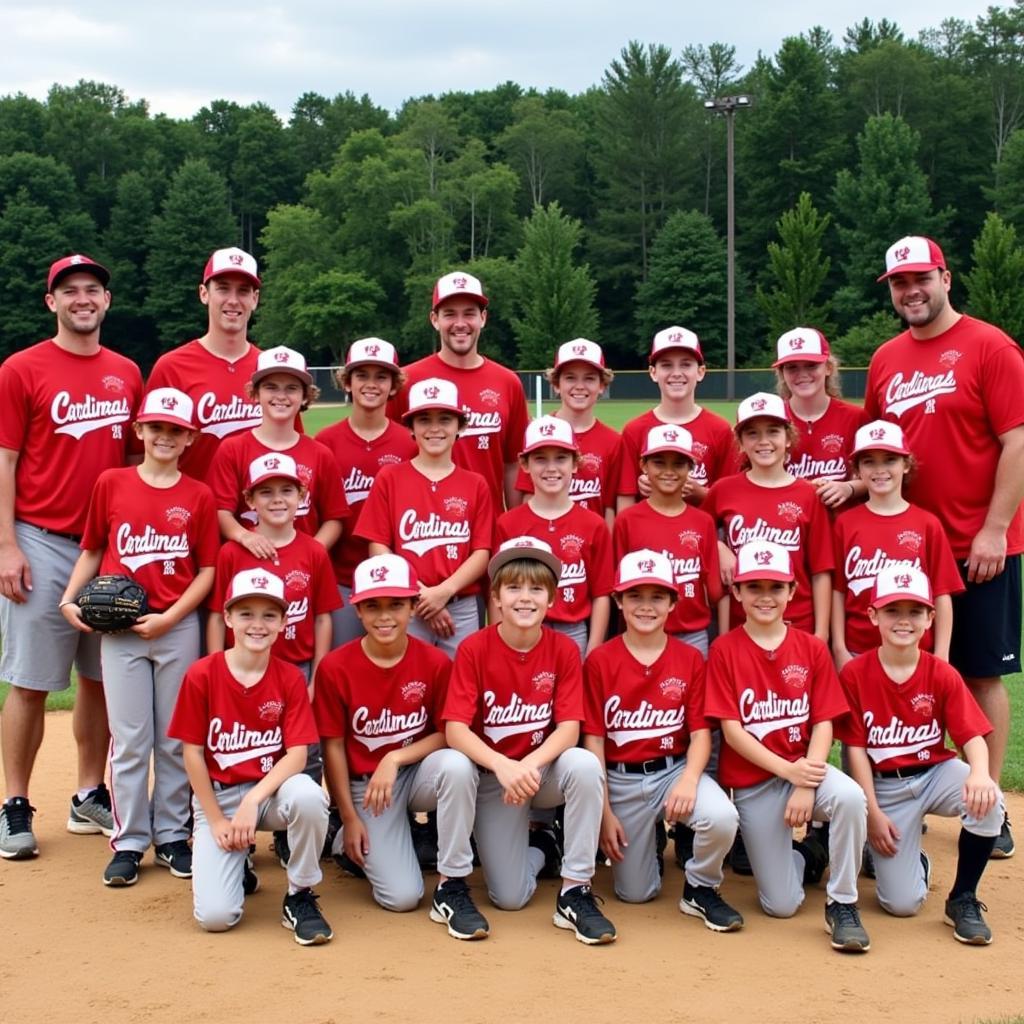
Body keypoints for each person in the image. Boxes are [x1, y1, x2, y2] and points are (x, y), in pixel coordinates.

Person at [867, 235, 1024, 858]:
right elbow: (882, 450)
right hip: (906, 545)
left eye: (920, 278)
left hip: (980, 544)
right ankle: (920, 793)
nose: (911, 291)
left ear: (946, 278)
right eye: (900, 283)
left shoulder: (991, 347)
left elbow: (1017, 441)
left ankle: (991, 802)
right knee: (912, 676)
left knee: (981, 674)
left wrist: (994, 527)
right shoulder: (885, 359)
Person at [0, 254, 143, 860]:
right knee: (32, 681)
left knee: (99, 679)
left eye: (93, 289)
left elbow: (139, 465)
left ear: (107, 301)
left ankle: (90, 792)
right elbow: (4, 460)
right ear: (51, 302)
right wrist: (5, 543)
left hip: (107, 548)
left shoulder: (127, 372)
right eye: (70, 290)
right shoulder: (20, 368)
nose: (82, 298)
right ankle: (14, 803)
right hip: (41, 538)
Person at [59, 388, 219, 886]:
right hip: (121, 632)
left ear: (189, 437)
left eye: (175, 429)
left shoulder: (199, 494)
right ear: (139, 431)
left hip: (177, 627)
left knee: (174, 740)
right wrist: (69, 598)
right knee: (130, 741)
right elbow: (92, 549)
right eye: (156, 427)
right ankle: (129, 840)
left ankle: (171, 835)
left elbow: (208, 570)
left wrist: (172, 618)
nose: (165, 436)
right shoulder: (112, 483)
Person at [442, 537, 616, 945]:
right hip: (494, 780)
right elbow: (455, 730)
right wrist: (504, 766)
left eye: (536, 589)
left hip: (540, 774)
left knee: (585, 765)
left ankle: (575, 889)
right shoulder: (473, 648)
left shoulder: (563, 649)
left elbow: (570, 728)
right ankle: (542, 846)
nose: (525, 598)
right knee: (511, 897)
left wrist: (529, 765)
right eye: (514, 588)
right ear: (496, 598)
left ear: (551, 599)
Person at [704, 540, 870, 953]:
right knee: (781, 905)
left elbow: (823, 722)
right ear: (737, 592)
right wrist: (788, 772)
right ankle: (810, 856)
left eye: (775, 587)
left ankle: (843, 902)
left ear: (793, 592)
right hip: (755, 783)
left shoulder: (811, 647)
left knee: (849, 796)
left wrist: (805, 780)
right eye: (754, 586)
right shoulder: (724, 649)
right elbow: (732, 731)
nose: (765, 596)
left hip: (806, 771)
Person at [313, 553, 484, 934]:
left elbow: (449, 731)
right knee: (402, 898)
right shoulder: (335, 667)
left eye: (396, 604)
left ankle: (452, 882)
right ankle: (347, 841)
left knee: (458, 766)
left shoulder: (436, 662)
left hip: (417, 773)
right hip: (368, 789)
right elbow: (334, 747)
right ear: (357, 610)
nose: (384, 616)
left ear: (412, 607)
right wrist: (351, 817)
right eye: (372, 606)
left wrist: (395, 756)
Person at [837, 565, 1004, 945]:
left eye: (914, 612)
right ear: (873, 615)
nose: (904, 621)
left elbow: (973, 735)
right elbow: (856, 751)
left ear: (930, 618)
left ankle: (963, 897)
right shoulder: (855, 674)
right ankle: (918, 863)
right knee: (901, 903)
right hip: (886, 788)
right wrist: (873, 813)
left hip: (935, 774)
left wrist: (980, 774)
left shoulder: (941, 673)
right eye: (893, 611)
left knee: (989, 799)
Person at [167, 568, 333, 944]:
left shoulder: (289, 676)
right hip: (219, 798)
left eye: (269, 615)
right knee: (216, 917)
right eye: (246, 614)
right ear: (227, 618)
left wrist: (254, 799)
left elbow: (296, 754)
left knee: (308, 795)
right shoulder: (202, 674)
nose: (257, 624)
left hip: (271, 794)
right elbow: (192, 753)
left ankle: (300, 894)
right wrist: (215, 819)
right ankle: (236, 864)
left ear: (283, 623)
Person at [582, 548, 742, 932]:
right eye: (635, 596)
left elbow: (702, 735)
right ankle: (648, 837)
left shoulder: (689, 658)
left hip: (673, 772)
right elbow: (595, 746)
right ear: (619, 601)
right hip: (621, 780)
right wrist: (604, 815)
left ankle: (700, 886)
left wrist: (689, 780)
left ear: (673, 603)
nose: (646, 606)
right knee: (636, 894)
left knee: (722, 817)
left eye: (657, 596)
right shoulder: (601, 660)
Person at [357, 377, 493, 657]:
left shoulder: (475, 483)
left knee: (460, 686)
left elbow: (481, 552)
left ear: (460, 427)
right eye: (424, 420)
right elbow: (378, 546)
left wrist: (443, 592)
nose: (434, 428)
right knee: (407, 684)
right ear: (410, 428)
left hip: (461, 605)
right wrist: (420, 597)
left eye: (445, 419)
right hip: (403, 603)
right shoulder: (390, 477)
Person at [391, 271, 529, 512]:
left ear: (483, 318)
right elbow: (392, 455)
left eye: (469, 313)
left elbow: (512, 465)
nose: (460, 323)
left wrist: (513, 526)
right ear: (434, 319)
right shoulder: (406, 381)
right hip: (425, 527)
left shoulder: (507, 382)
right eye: (449, 314)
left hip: (488, 527)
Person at [831, 420, 962, 670]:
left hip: (917, 651)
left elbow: (942, 594)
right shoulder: (845, 524)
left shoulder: (927, 524)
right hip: (858, 651)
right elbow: (838, 591)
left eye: (889, 459)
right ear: (857, 470)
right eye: (869, 461)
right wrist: (839, 648)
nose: (880, 469)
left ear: (906, 465)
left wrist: (942, 654)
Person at [703, 392, 833, 640]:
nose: (763, 441)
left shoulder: (808, 494)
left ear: (788, 438)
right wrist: (718, 546)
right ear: (740, 442)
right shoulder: (723, 490)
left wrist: (821, 632)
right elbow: (694, 530)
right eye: (752, 433)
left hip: (798, 623)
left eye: (773, 431)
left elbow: (821, 570)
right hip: (741, 623)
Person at [316, 338, 416, 646]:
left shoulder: (409, 443)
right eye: (362, 375)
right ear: (346, 381)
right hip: (340, 581)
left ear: (394, 384)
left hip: (396, 586)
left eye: (381, 376)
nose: (371, 384)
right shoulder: (325, 442)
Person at [207, 345, 348, 558]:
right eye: (271, 387)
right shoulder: (233, 449)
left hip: (303, 569)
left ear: (305, 397)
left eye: (291, 388)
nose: (281, 396)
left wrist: (310, 552)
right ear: (255, 393)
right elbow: (220, 511)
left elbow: (334, 517)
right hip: (249, 560)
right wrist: (245, 537)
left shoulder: (320, 453)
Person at [495, 415, 613, 657]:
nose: (551, 468)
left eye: (561, 458)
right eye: (540, 459)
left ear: (575, 464)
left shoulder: (594, 524)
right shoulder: (509, 523)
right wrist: (499, 636)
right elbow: (496, 591)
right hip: (520, 626)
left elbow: (601, 594)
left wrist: (594, 647)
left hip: (573, 630)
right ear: (525, 465)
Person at [146, 248, 265, 481]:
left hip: (258, 514)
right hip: (192, 513)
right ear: (204, 293)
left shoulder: (270, 369)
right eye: (222, 288)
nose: (233, 300)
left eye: (243, 291)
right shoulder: (172, 367)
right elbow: (146, 455)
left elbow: (292, 447)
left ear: (255, 299)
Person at [613, 425, 722, 657]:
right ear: (643, 466)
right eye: (659, 462)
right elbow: (618, 586)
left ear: (690, 468)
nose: (669, 471)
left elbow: (714, 591)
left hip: (691, 633)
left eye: (679, 464)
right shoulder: (628, 520)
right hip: (639, 632)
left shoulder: (703, 521)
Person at [616, 327, 735, 512]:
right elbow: (625, 498)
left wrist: (703, 493)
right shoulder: (635, 430)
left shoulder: (720, 429)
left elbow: (731, 497)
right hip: (647, 536)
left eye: (686, 364)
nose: (676, 373)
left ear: (701, 371)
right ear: (653, 372)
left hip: (701, 536)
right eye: (666, 365)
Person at [514, 339, 622, 527]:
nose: (579, 386)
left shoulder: (613, 441)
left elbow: (610, 508)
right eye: (570, 378)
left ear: (602, 385)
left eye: (589, 378)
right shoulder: (537, 432)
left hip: (591, 544)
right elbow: (527, 497)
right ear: (556, 384)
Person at [772, 327, 865, 509]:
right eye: (792, 367)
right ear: (782, 373)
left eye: (811, 365)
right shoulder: (770, 418)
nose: (802, 374)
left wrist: (849, 488)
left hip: (842, 526)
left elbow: (878, 473)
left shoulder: (855, 417)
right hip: (788, 529)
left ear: (828, 368)